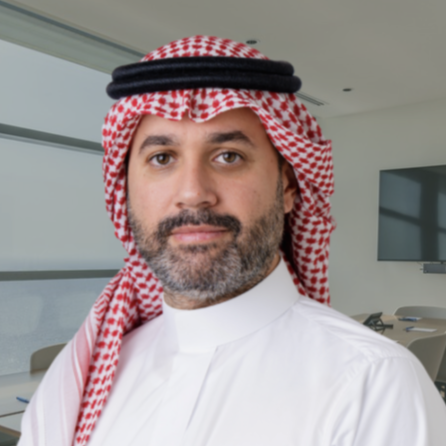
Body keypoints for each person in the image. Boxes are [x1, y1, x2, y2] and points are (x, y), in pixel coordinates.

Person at [19, 36, 446, 446]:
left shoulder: (371, 383)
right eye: (161, 158)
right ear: (125, 188)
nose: (192, 192)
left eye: (229, 156)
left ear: (288, 186)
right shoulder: (78, 382)